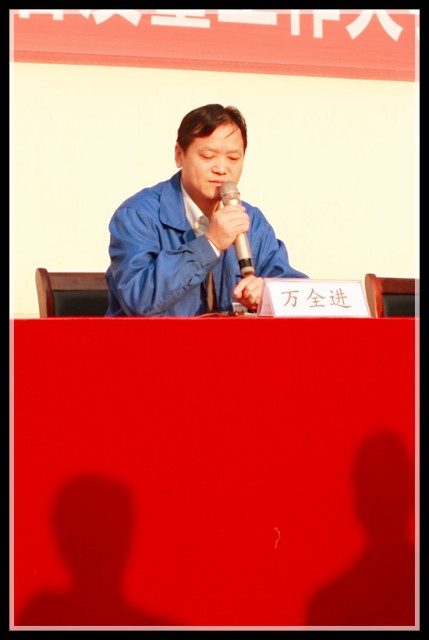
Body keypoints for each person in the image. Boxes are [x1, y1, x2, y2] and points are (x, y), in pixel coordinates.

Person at [105, 103, 307, 316]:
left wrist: (267, 292)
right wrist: (210, 244)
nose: (221, 169)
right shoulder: (138, 216)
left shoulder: (250, 220)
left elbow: (298, 294)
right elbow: (138, 298)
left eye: (233, 158)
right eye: (208, 156)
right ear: (179, 155)